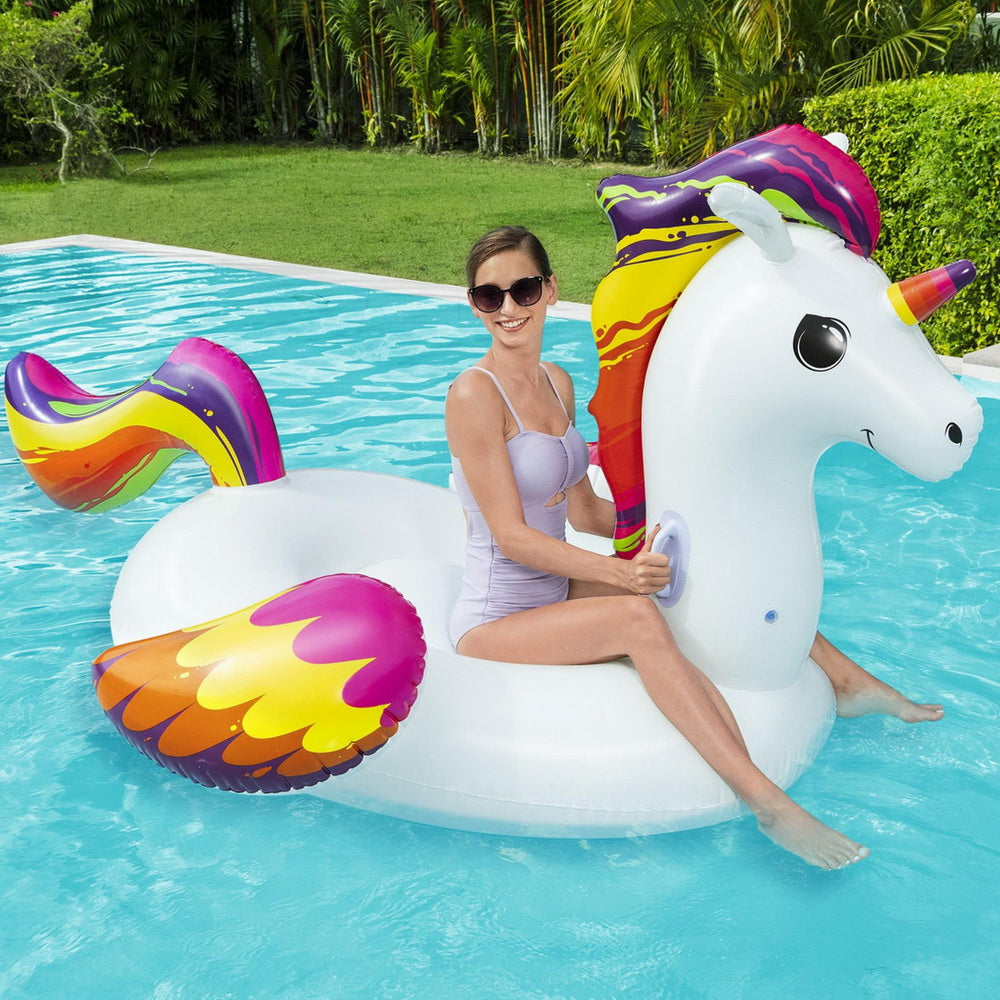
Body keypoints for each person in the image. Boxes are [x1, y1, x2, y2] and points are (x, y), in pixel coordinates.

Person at [445, 225, 944, 870]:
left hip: (554, 589)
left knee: (703, 570)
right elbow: (512, 537)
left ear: (550, 290)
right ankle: (767, 803)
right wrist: (620, 577)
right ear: (475, 305)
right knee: (636, 615)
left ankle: (846, 680)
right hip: (495, 618)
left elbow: (585, 510)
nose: (509, 308)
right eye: (489, 296)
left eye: (523, 289)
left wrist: (686, 525)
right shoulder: (474, 395)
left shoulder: (555, 383)